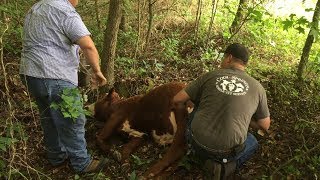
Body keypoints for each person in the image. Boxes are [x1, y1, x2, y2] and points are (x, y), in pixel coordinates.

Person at [19, 0, 108, 173]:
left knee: (49, 118)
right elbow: (88, 46)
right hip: (54, 74)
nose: (78, 2)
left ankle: (56, 157)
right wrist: (97, 71)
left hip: (31, 74)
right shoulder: (64, 10)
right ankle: (82, 164)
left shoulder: (36, 8)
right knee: (73, 119)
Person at [173, 43, 271, 178]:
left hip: (197, 143)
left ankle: (195, 154)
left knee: (196, 109)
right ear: (245, 63)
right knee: (252, 141)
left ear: (229, 58)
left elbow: (177, 99)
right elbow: (265, 126)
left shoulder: (210, 76)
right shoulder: (258, 88)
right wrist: (246, 120)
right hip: (227, 153)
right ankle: (227, 167)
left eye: (222, 57)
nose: (221, 62)